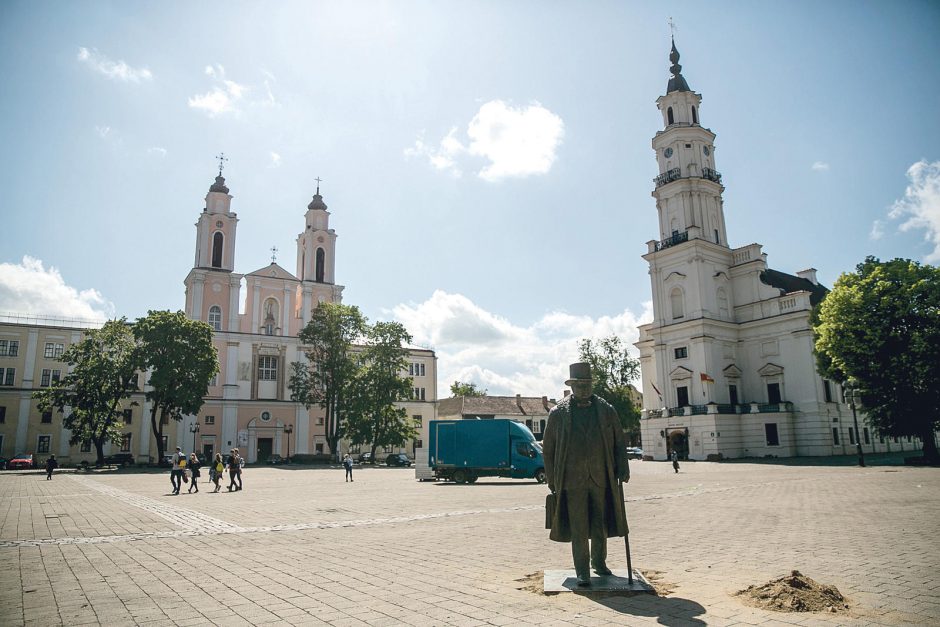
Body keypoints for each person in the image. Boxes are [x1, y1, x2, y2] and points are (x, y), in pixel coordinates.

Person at [543, 362, 630, 587]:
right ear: (572, 386)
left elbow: (620, 441)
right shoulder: (558, 412)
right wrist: (552, 478)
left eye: (587, 385)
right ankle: (582, 570)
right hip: (571, 479)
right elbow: (548, 448)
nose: (584, 389)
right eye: (579, 385)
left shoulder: (606, 409)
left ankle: (599, 563)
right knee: (579, 526)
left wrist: (623, 466)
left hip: (601, 476)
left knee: (599, 522)